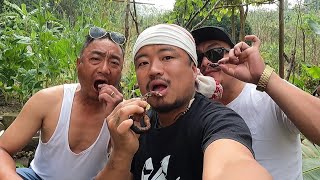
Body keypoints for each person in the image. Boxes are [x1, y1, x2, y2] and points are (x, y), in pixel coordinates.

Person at [95, 24, 271, 180]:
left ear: (194, 70)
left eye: (167, 58)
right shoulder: (138, 128)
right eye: (143, 63)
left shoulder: (218, 122)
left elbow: (232, 164)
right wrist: (121, 152)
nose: (153, 70)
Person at [191, 26, 320, 180]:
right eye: (198, 58)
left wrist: (263, 77)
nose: (205, 62)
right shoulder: (195, 108)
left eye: (214, 53)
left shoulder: (269, 95)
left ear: (234, 54)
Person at [0, 26, 126, 180]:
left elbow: (123, 171)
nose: (105, 69)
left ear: (121, 72)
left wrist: (115, 123)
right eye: (95, 59)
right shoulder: (48, 100)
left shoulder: (125, 114)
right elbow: (3, 149)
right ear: (78, 64)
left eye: (114, 63)